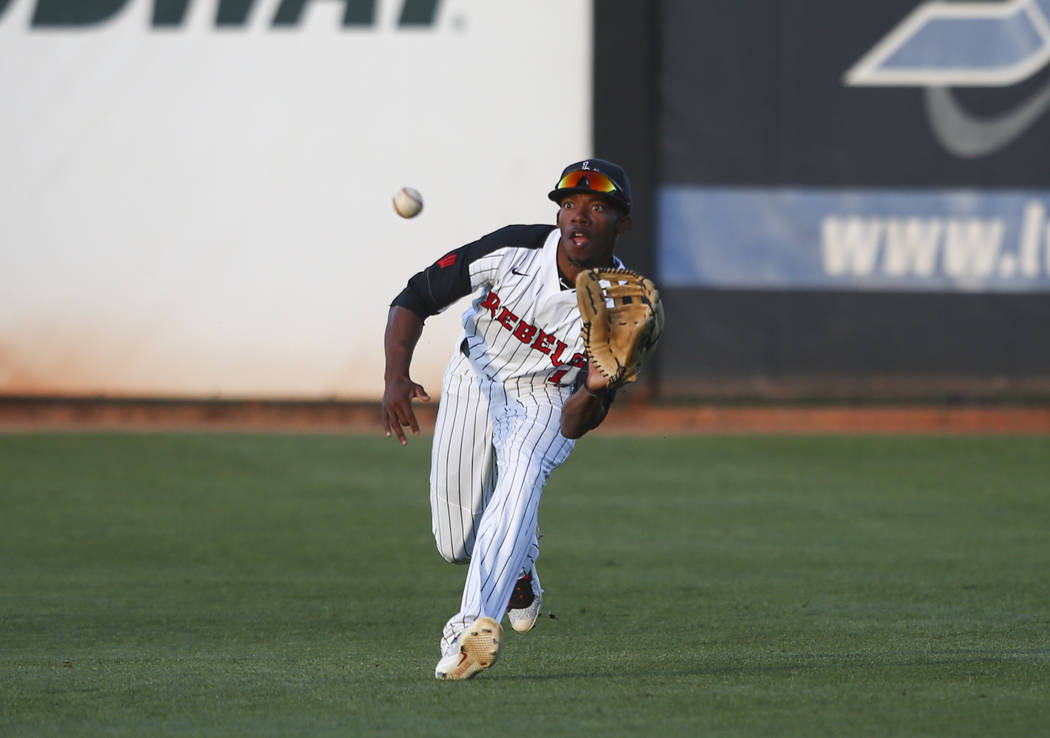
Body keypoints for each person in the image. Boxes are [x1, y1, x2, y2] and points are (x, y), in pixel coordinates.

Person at [382, 158, 634, 680]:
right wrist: (395, 377)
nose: (579, 217)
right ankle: (519, 566)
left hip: (547, 398)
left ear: (621, 222)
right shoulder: (514, 248)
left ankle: (468, 630)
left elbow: (575, 423)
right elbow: (415, 297)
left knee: (521, 478)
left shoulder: (620, 307)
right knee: (454, 542)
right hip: (476, 372)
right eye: (569, 205)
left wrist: (595, 386)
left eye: (597, 207)